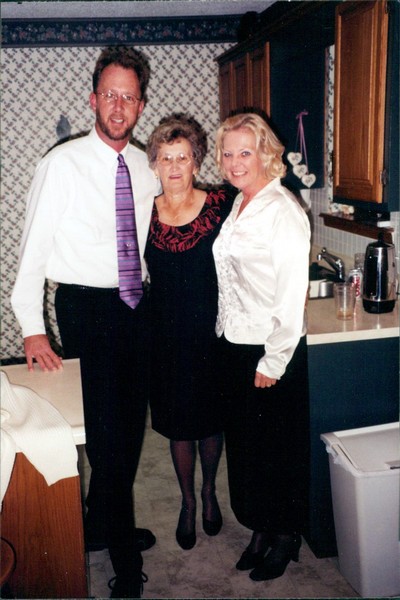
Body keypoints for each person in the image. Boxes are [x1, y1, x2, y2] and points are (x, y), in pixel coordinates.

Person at [11, 46, 161, 599]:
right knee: (106, 437)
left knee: (129, 427)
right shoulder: (61, 164)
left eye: (129, 97)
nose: (119, 106)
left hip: (137, 307)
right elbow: (32, 252)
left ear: (140, 105)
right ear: (93, 99)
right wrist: (32, 327)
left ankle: (101, 523)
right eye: (110, 95)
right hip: (86, 310)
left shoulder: (147, 167)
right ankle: (124, 559)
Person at [212, 112, 311, 581]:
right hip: (235, 341)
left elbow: (291, 295)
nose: (235, 162)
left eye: (245, 152)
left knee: (277, 450)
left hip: (270, 350)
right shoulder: (240, 202)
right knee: (248, 450)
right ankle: (260, 527)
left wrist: (274, 360)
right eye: (228, 153)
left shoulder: (282, 210)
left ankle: (286, 534)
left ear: (266, 153)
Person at [144, 113, 234, 550]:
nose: (175, 166)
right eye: (166, 158)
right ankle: (187, 502)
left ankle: (209, 490)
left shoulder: (221, 204)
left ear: (196, 162)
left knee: (211, 423)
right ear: (155, 165)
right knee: (179, 427)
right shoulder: (143, 213)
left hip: (210, 336)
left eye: (183, 157)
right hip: (164, 338)